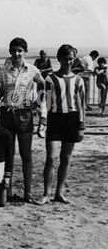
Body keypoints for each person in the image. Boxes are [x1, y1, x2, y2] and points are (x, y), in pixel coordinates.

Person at [0, 37, 46, 204]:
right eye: (13, 50)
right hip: (7, 115)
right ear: (10, 52)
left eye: (20, 50)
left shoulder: (32, 70)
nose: (16, 53)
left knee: (26, 155)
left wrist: (37, 102)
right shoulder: (3, 71)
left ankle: (28, 193)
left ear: (25, 52)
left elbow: (43, 84)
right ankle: (7, 192)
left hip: (25, 116)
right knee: (8, 154)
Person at [39, 44, 86, 205]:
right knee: (51, 158)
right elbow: (44, 101)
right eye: (65, 58)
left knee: (66, 158)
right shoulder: (50, 79)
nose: (68, 62)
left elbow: (81, 105)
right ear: (59, 59)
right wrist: (43, 120)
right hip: (55, 119)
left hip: (72, 119)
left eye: (71, 59)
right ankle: (46, 194)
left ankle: (59, 193)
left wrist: (81, 125)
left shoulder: (78, 80)